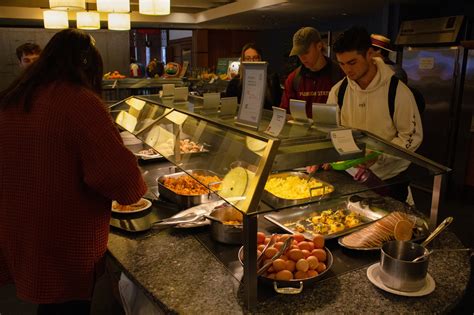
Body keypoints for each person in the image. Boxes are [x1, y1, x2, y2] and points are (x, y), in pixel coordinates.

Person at [0, 29, 147, 314]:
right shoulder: (79, 102)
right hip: (64, 241)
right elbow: (126, 186)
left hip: (21, 228)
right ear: (88, 65)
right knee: (65, 307)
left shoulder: (15, 98)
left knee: (50, 304)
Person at [327, 26, 423, 202]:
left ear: (369, 54)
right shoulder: (338, 91)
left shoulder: (398, 92)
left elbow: (411, 137)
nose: (347, 70)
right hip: (351, 174)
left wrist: (379, 154)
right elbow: (331, 129)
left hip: (389, 179)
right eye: (342, 64)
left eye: (352, 62)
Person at [280, 27, 343, 118]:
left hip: (331, 131)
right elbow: (285, 113)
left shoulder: (339, 74)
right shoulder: (293, 79)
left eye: (306, 52)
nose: (302, 57)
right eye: (299, 53)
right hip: (301, 131)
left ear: (319, 46)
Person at [225, 42, 282, 110]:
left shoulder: (272, 78)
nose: (252, 61)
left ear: (260, 59)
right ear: (243, 61)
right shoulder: (234, 83)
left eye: (255, 58)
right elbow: (230, 108)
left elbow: (278, 105)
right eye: (248, 58)